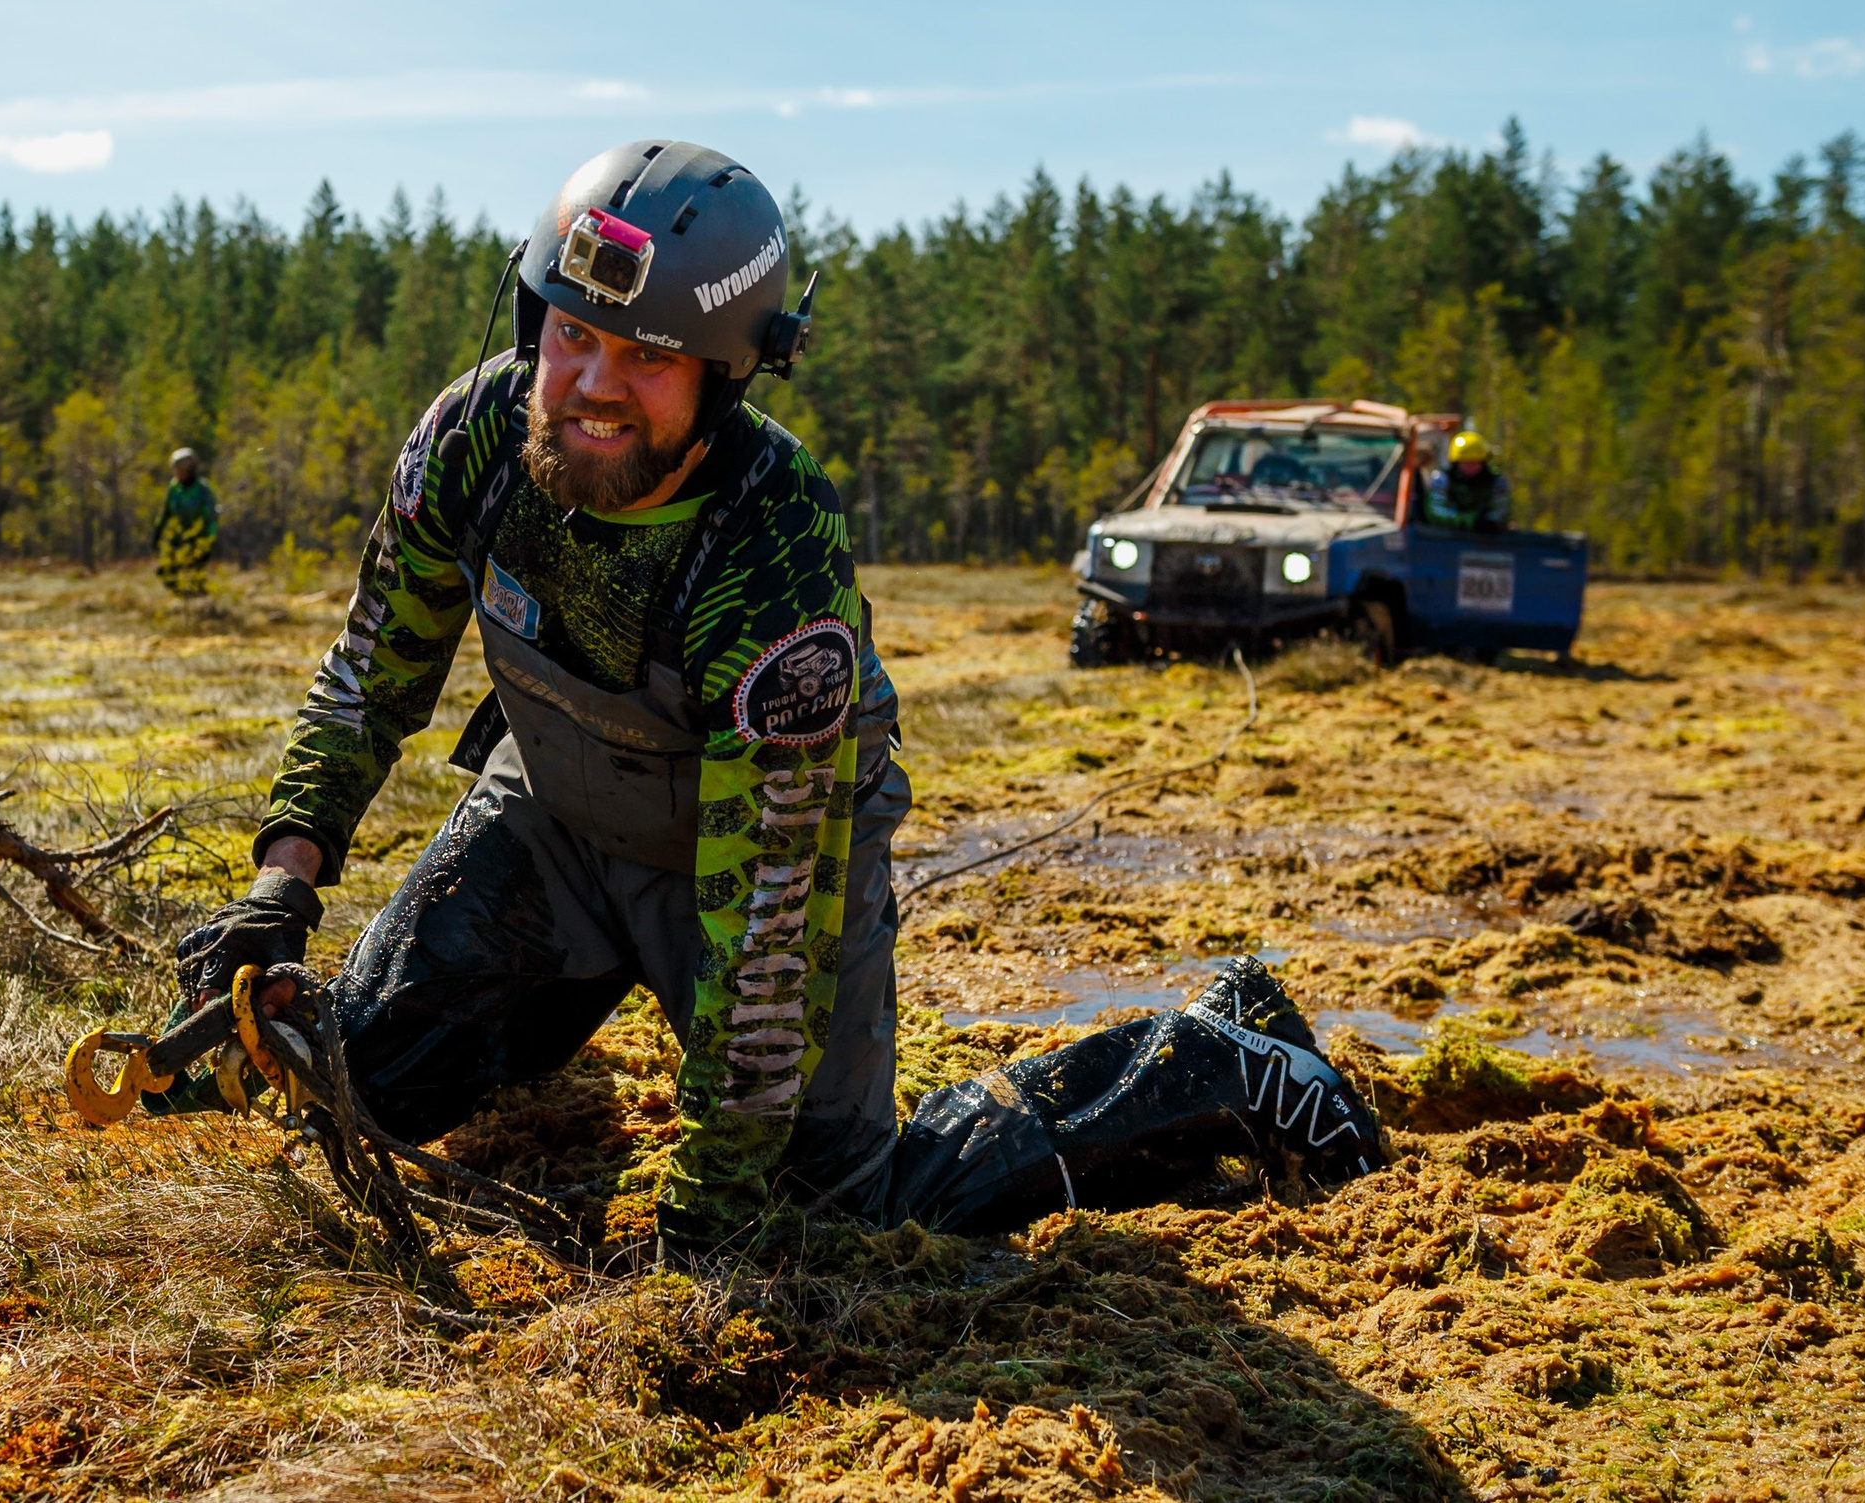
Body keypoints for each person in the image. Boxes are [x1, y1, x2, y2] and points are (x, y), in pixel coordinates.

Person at [164, 139, 1388, 1256]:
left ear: (726, 375)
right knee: (356, 1093)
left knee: (829, 1216)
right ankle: (524, 1020)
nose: (592, 383)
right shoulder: (472, 440)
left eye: (647, 358)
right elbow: (371, 675)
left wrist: (702, 1215)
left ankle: (1209, 1056)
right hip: (551, 821)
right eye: (572, 333)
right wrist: (285, 877)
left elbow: (767, 927)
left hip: (754, 868)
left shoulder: (770, 547)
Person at [153, 448, 220, 597]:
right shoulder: (174, 487)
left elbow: (211, 517)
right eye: (175, 470)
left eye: (180, 470)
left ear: (190, 470)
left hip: (198, 539)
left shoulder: (202, 489)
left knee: (195, 575)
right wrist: (158, 531)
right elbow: (165, 512)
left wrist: (208, 541)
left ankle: (200, 603)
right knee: (166, 571)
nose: (177, 473)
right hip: (178, 538)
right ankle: (182, 601)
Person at [1424, 430, 1511, 532]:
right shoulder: (1441, 480)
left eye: (1475, 462)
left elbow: (1502, 511)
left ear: (1483, 463)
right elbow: (1435, 512)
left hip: (1487, 542)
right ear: (1455, 463)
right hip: (1445, 540)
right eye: (1465, 463)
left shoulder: (1496, 482)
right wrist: (1470, 520)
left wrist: (1490, 521)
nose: (1470, 467)